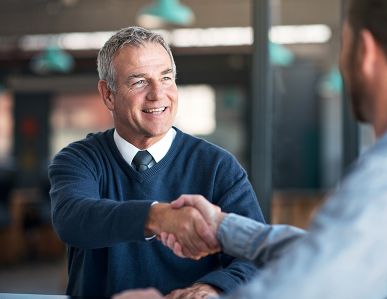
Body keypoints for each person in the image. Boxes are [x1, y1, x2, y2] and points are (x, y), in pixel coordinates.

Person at [113, 0, 387, 298]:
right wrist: (223, 228)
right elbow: (330, 251)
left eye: (344, 45)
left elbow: (315, 285)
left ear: (365, 51)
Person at [48, 26, 267, 298]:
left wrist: (212, 287)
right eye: (139, 81)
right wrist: (158, 217)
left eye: (166, 78)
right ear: (108, 95)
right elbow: (73, 219)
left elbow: (255, 256)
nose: (157, 94)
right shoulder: (79, 159)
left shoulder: (218, 167)